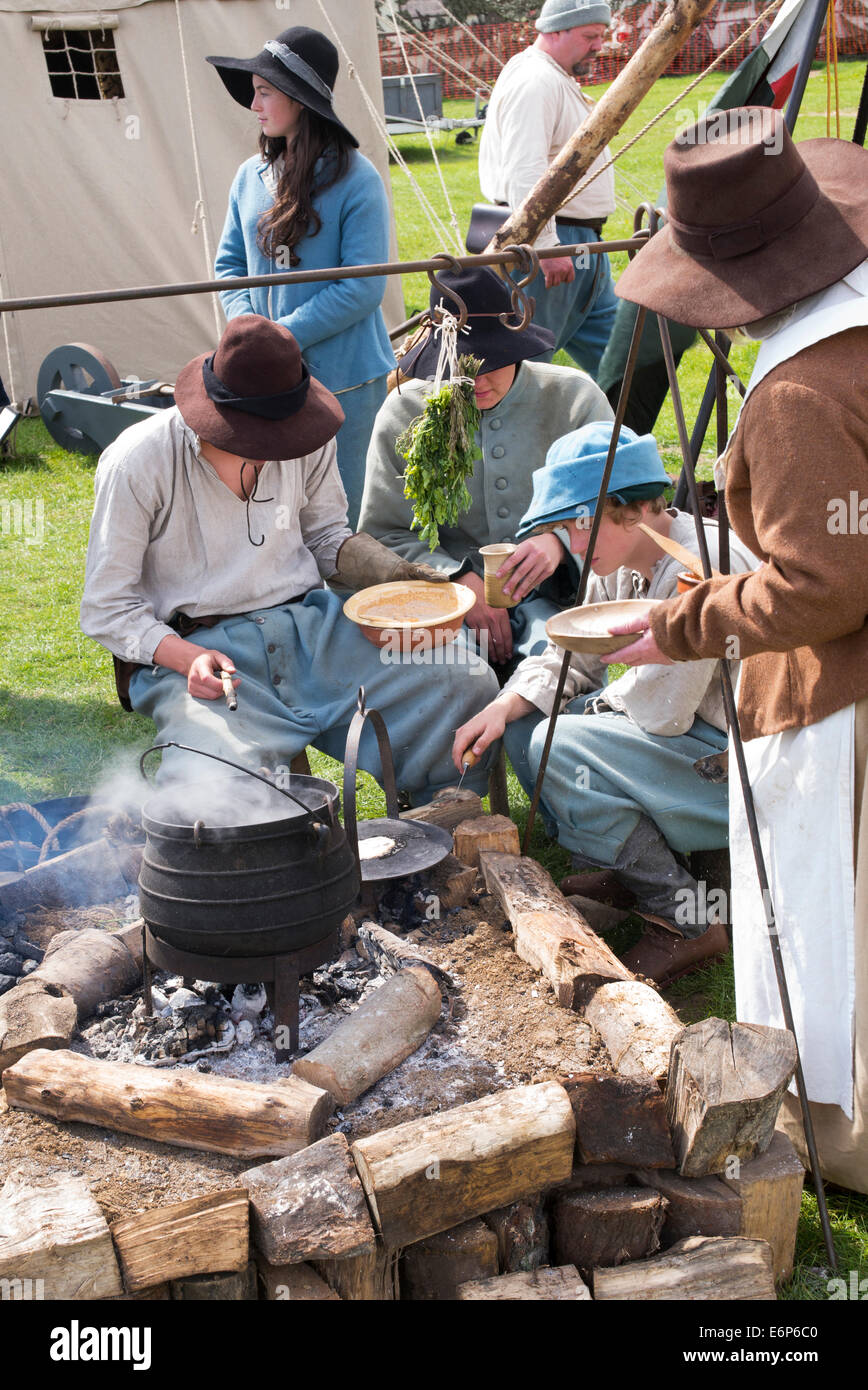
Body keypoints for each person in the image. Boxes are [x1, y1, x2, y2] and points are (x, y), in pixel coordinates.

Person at [610, 107, 868, 1192]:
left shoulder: (798, 392)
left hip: (835, 695)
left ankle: (835, 1136)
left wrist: (685, 615)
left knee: (822, 923)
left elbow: (826, 584)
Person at [80, 315, 500, 804]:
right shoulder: (139, 461)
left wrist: (389, 572)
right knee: (210, 785)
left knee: (462, 680)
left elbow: (324, 535)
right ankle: (275, 870)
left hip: (310, 630)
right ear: (212, 418)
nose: (276, 454)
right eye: (258, 444)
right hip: (197, 650)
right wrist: (187, 656)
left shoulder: (306, 435)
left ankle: (443, 834)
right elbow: (107, 607)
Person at [452, 420, 758, 982]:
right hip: (680, 735)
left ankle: (687, 920)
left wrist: (574, 717)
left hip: (736, 763)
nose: (569, 546)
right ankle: (624, 871)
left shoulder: (700, 566)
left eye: (576, 528)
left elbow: (661, 710)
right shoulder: (619, 560)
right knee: (523, 726)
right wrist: (506, 703)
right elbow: (577, 654)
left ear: (628, 510)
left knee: (557, 743)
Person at [359, 266, 614, 670]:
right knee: (448, 678)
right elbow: (383, 532)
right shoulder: (406, 410)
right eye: (458, 365)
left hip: (553, 599)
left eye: (490, 361)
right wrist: (456, 582)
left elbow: (617, 508)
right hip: (443, 606)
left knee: (555, 677)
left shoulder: (574, 400)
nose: (473, 379)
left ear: (516, 348)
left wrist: (562, 545)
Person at [207, 26, 395, 528]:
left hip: (345, 381)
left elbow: (362, 285)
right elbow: (229, 266)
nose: (255, 105)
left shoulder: (358, 180)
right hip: (265, 380)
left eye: (265, 92)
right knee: (278, 516)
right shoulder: (250, 177)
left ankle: (353, 608)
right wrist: (250, 334)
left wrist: (285, 335)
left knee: (347, 517)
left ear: (299, 100)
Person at [477, 0, 618, 380]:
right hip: (549, 246)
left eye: (600, 36)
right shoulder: (535, 80)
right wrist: (546, 245)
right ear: (556, 31)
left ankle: (621, 436)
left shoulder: (554, 77)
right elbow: (526, 168)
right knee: (526, 371)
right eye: (590, 36)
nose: (598, 45)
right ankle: (517, 440)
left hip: (581, 246)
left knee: (622, 359)